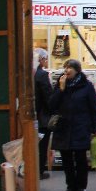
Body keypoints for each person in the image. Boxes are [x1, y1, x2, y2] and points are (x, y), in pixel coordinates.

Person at [47, 58, 96, 191]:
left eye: (70, 67)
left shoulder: (87, 86)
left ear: (77, 70)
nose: (67, 70)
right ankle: (70, 186)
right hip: (63, 128)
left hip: (80, 127)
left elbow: (93, 108)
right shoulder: (60, 84)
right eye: (65, 67)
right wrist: (61, 89)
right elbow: (51, 105)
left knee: (80, 158)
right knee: (66, 159)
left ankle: (81, 187)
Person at [33, 48, 53, 180]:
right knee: (42, 145)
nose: (46, 62)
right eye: (45, 59)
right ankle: (39, 170)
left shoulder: (30, 74)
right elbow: (48, 97)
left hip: (33, 115)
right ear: (41, 59)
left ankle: (33, 170)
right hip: (43, 117)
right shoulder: (42, 75)